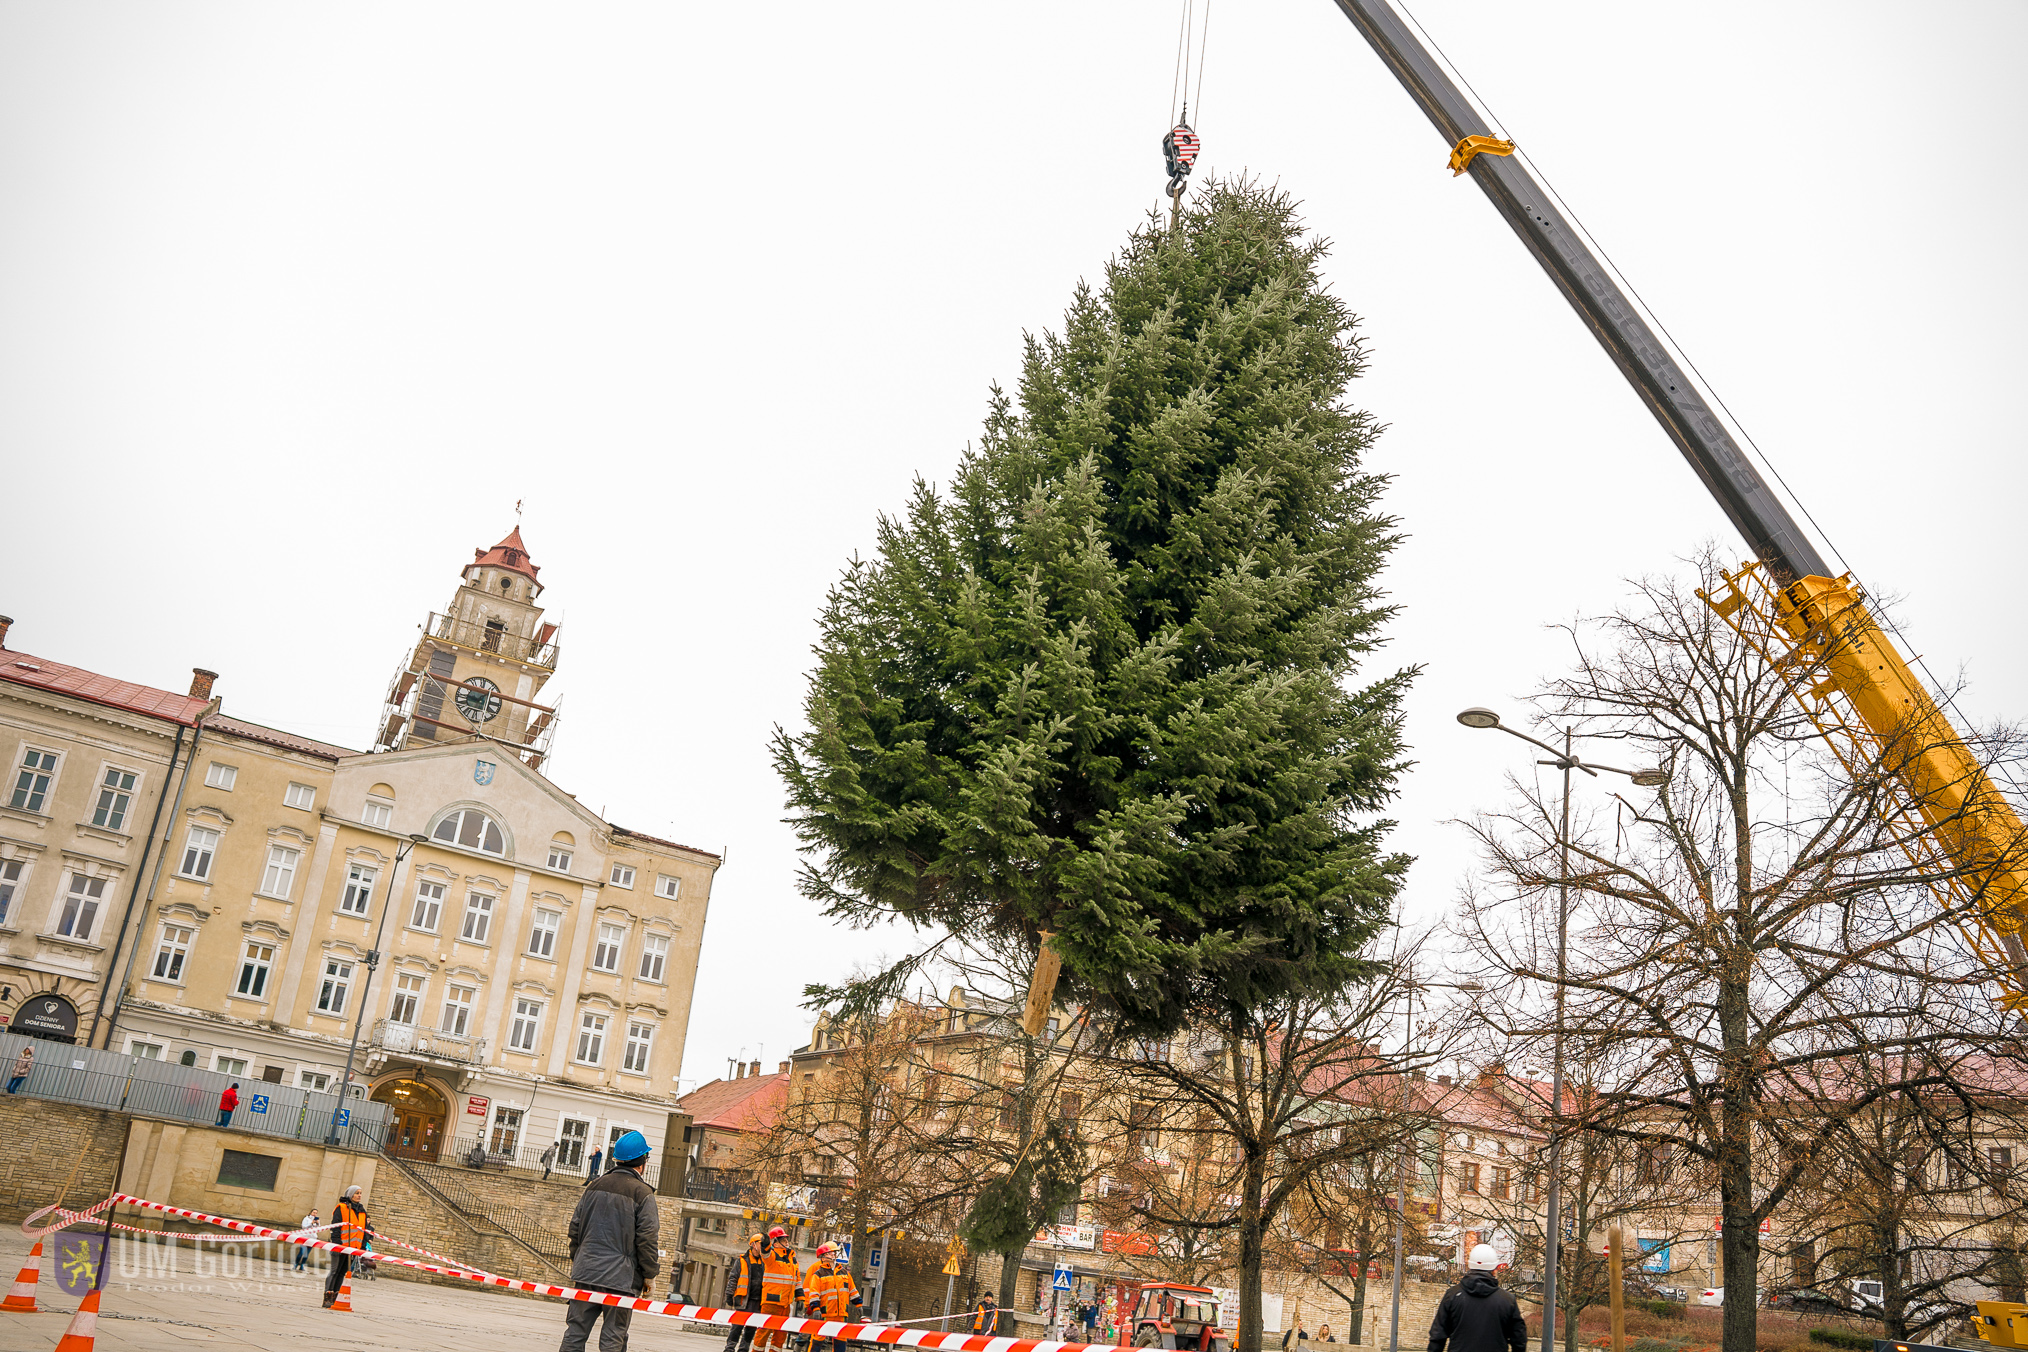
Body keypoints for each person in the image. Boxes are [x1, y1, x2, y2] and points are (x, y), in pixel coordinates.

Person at [559, 1129, 659, 1352]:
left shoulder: (594, 1186)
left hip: (586, 1273)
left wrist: (581, 1259)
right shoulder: (642, 1193)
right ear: (643, 1161)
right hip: (620, 1279)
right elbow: (647, 1239)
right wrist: (649, 1274)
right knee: (613, 1337)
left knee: (575, 1333)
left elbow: (574, 1228)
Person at [1427, 1244, 1528, 1352]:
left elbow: (1437, 1337)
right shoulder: (1507, 1301)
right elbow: (1519, 1339)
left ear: (1470, 1267)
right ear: (1494, 1270)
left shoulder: (1452, 1296)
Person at [801, 1242, 861, 1352]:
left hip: (841, 1314)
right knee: (817, 1341)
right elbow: (814, 1294)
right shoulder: (818, 1274)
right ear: (822, 1257)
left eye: (834, 1253)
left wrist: (858, 1304)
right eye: (829, 1253)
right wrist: (815, 1309)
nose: (833, 1255)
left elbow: (852, 1290)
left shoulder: (844, 1273)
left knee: (840, 1343)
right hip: (825, 1313)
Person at [323, 1184, 372, 1308]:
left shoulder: (362, 1211)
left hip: (353, 1248)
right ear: (350, 1194)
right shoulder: (342, 1207)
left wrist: (362, 1246)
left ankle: (335, 1297)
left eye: (360, 1193)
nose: (359, 1195)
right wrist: (336, 1242)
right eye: (357, 1193)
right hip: (340, 1245)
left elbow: (364, 1230)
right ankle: (328, 1297)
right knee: (334, 1271)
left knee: (342, 1272)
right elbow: (336, 1226)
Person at [756, 1227, 801, 1352]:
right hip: (771, 1301)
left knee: (780, 1336)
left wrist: (800, 1298)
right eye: (784, 1240)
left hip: (785, 1303)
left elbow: (797, 1279)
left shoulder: (792, 1258)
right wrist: (765, 1243)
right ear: (775, 1243)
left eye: (787, 1240)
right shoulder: (772, 1256)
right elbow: (765, 1253)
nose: (787, 1242)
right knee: (763, 1332)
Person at [722, 1233, 768, 1352]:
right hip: (744, 1300)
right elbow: (733, 1278)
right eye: (760, 1243)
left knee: (751, 1328)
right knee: (737, 1326)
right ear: (753, 1244)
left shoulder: (765, 1261)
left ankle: (743, 1349)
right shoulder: (742, 1260)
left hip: (758, 1301)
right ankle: (730, 1348)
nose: (762, 1246)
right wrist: (729, 1294)